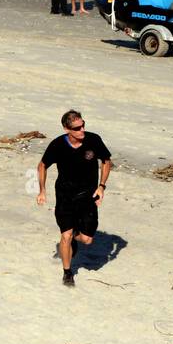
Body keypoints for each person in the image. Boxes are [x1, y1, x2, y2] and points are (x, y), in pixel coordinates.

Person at [36, 110, 112, 288]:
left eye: (83, 125)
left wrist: (102, 187)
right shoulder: (57, 145)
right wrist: (42, 190)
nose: (82, 130)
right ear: (66, 129)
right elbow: (42, 165)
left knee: (86, 240)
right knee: (66, 235)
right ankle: (67, 272)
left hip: (87, 196)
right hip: (65, 196)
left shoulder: (93, 140)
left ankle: (75, 236)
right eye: (77, 128)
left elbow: (107, 161)